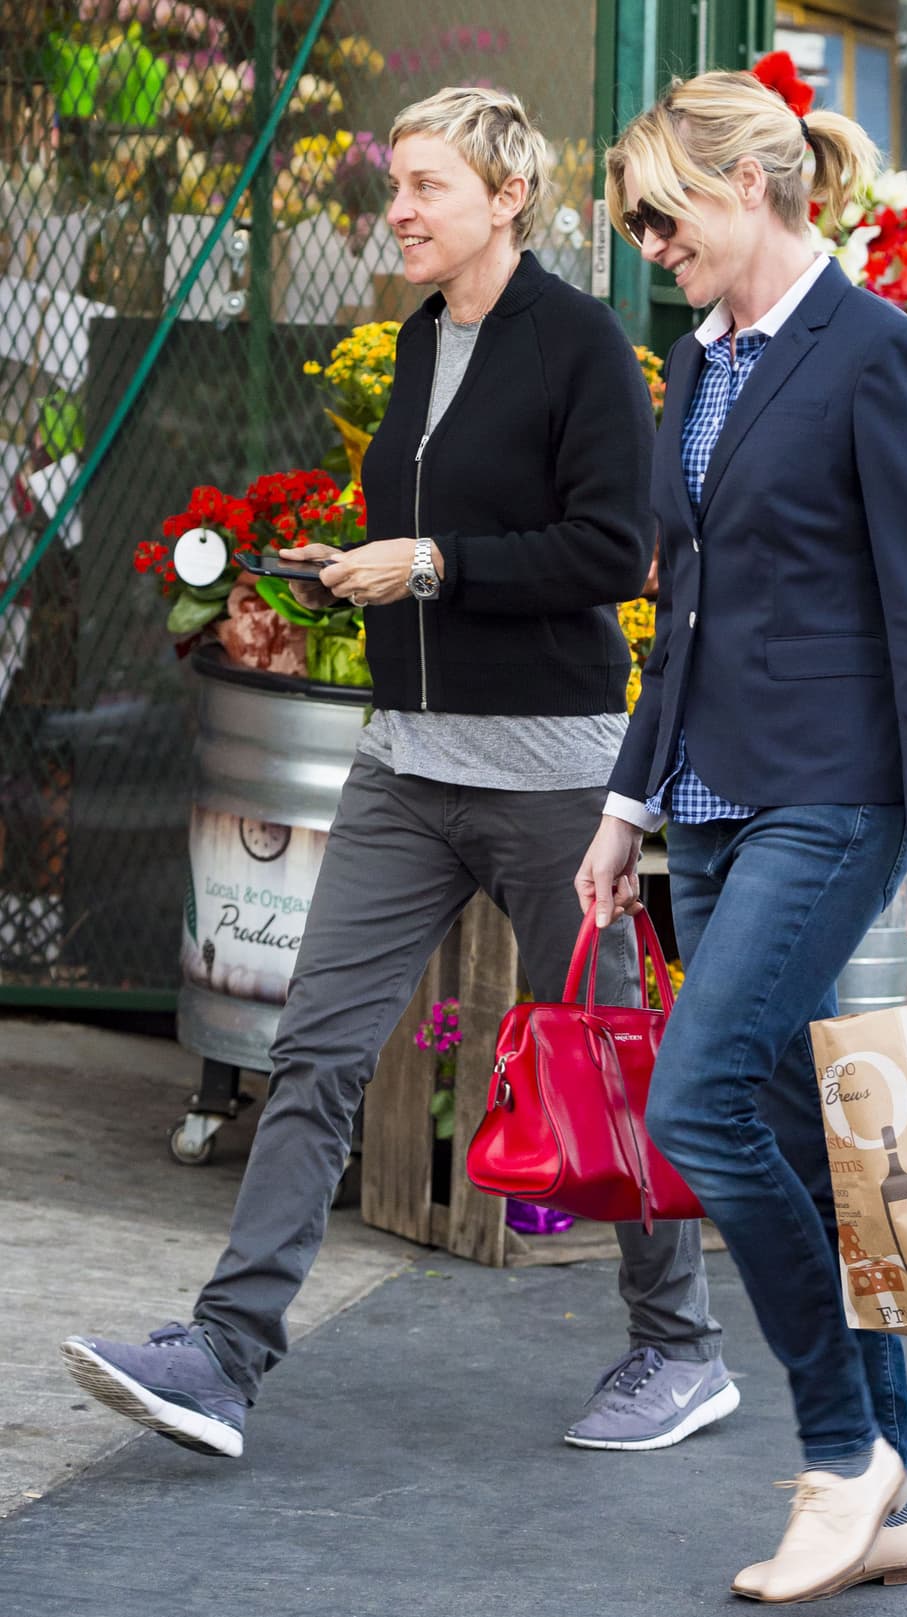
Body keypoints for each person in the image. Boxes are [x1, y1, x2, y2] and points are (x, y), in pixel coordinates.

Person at [62, 86, 735, 1462]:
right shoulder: (428, 342)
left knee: (600, 1066)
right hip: (407, 767)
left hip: (553, 782)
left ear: (505, 197)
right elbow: (435, 538)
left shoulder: (584, 345)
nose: (402, 212)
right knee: (315, 1050)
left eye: (429, 185)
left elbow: (615, 554)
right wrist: (356, 570)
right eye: (396, 188)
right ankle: (224, 1360)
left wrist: (429, 565)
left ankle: (681, 1349)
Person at [576, 71, 907, 1604]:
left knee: (696, 1105)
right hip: (708, 800)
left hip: (839, 793)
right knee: (809, 1148)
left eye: (659, 213)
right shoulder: (697, 367)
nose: (644, 242)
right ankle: (898, 1496)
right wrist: (630, 805)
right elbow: (677, 616)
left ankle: (839, 1456)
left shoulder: (874, 351)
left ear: (748, 188)